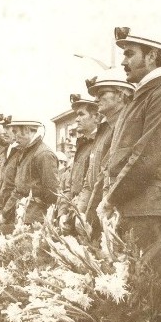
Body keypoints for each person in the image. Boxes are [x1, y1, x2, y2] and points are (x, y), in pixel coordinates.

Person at [98, 29, 161, 251]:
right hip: (136, 209)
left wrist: (111, 199)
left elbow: (146, 158)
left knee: (151, 283)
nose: (123, 62)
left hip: (151, 211)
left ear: (152, 56)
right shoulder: (141, 98)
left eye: (130, 54)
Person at [81, 74, 135, 239]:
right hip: (99, 213)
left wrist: (90, 216)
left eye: (102, 93)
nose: (96, 99)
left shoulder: (127, 126)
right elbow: (91, 179)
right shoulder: (104, 129)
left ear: (120, 95)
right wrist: (83, 213)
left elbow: (108, 177)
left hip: (113, 213)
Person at [0, 118, 60, 229]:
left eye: (15, 131)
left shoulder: (44, 154)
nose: (15, 136)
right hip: (23, 216)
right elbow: (18, 189)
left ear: (26, 130)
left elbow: (52, 194)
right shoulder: (25, 153)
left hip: (37, 221)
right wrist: (4, 214)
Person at [60, 94, 100, 230]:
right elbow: (69, 186)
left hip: (88, 216)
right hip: (74, 213)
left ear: (96, 117)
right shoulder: (82, 145)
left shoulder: (99, 143)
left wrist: (80, 214)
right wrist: (62, 213)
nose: (76, 119)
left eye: (81, 114)